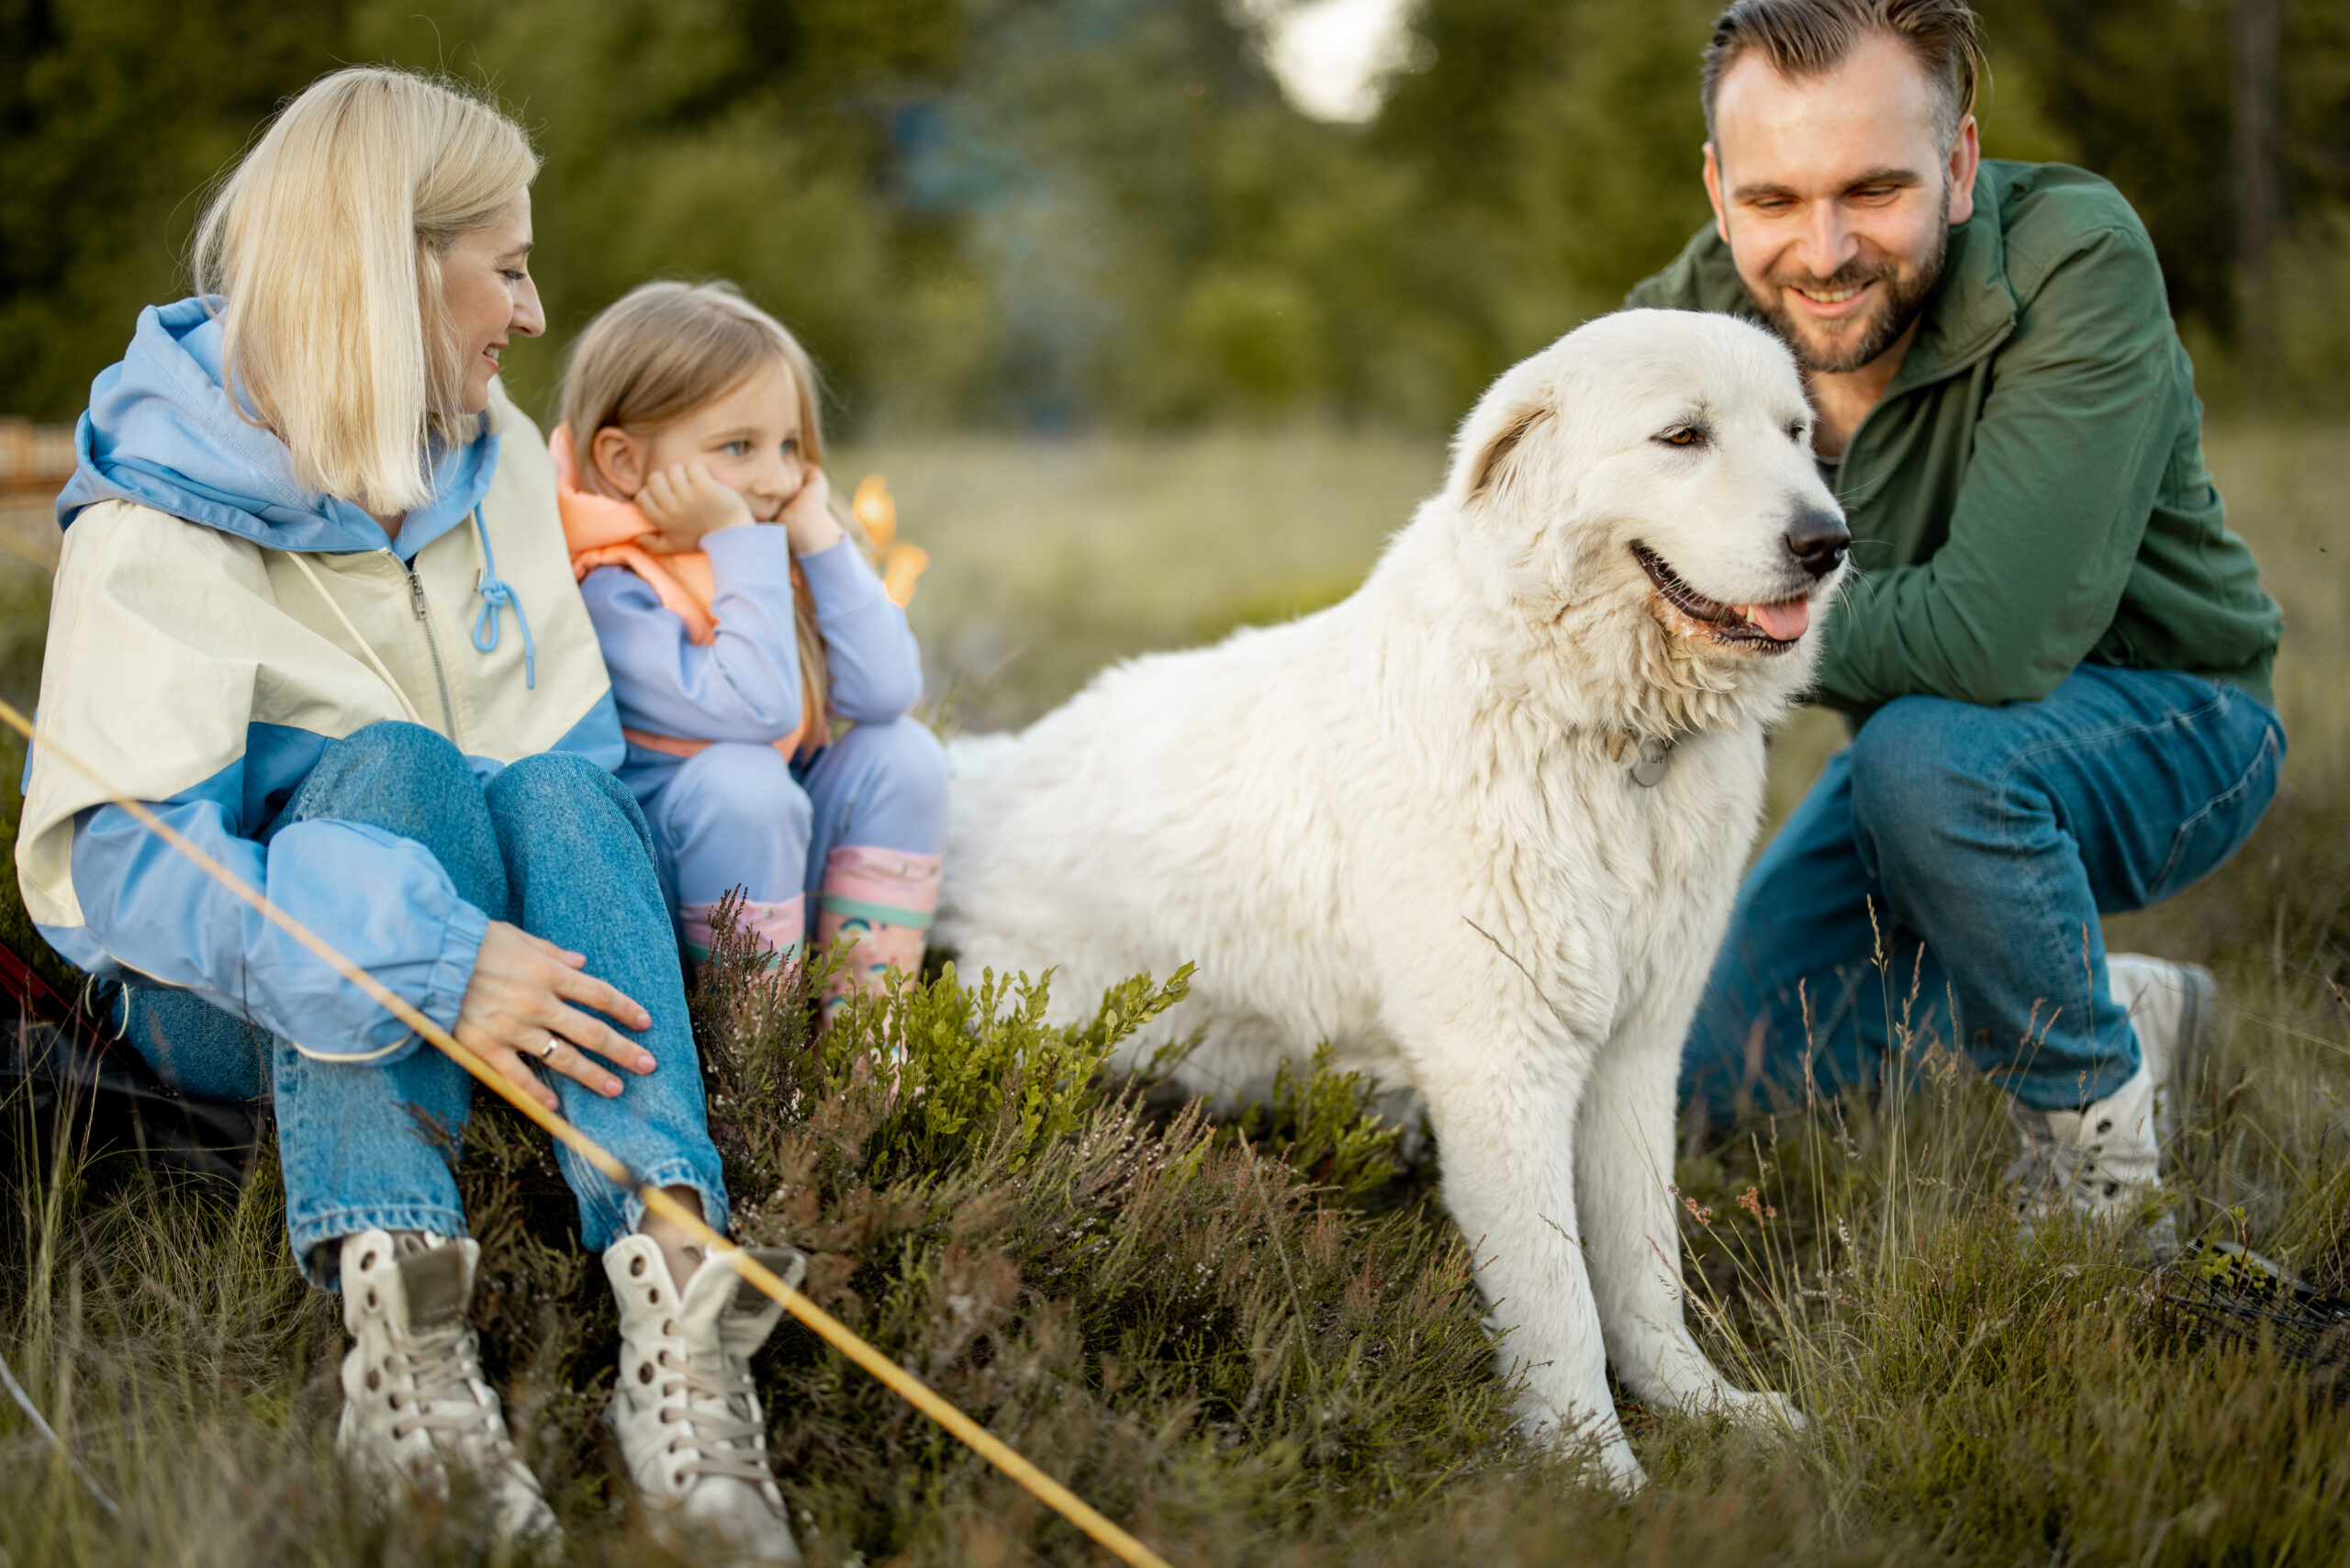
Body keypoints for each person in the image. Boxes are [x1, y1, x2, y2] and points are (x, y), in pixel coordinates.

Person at [19, 68, 805, 1561]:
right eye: (505, 267)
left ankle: (675, 1309)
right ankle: (407, 1355)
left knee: (568, 788)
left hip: (477, 932)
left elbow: (560, 766)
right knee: (395, 765)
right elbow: (123, 874)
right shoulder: (155, 515)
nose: (533, 312)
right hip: (220, 998)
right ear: (386, 274)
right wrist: (437, 958)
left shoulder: (495, 450)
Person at [1631, 0, 2285, 1223]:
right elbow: (1592, 574)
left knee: (1930, 759)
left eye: (1872, 190)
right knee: (1718, 1074)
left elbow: (1990, 639)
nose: (1821, 251)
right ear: (1720, 191)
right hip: (1914, 762)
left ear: (1960, 165)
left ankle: (2098, 1158)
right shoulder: (1687, 319)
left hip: (2174, 718)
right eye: (1773, 200)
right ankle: (2125, 1004)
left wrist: (1708, 614)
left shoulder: (2075, 256)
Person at [552, 282, 947, 1011]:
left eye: (790, 445)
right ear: (623, 460)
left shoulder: (774, 554)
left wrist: (819, 535)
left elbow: (887, 690)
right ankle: (752, 1062)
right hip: (675, 903)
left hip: (780, 878)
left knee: (906, 753)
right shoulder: (613, 588)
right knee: (743, 781)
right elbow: (757, 708)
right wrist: (742, 543)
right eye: (739, 447)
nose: (776, 478)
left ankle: (863, 1042)